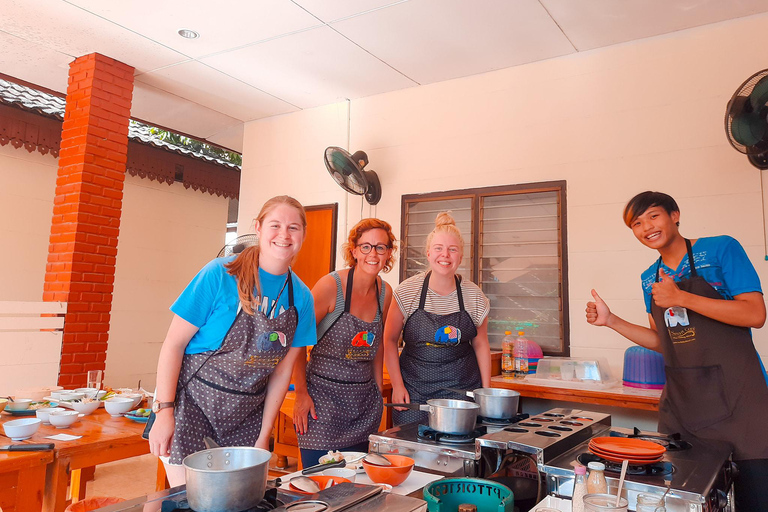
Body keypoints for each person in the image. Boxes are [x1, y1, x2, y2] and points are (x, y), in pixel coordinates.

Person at [586, 191, 768, 511]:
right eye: (637, 223)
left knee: (756, 496)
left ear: (675, 214)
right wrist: (611, 320)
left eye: (653, 216)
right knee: (687, 500)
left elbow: (754, 314)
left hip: (740, 401)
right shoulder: (650, 279)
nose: (646, 227)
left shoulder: (720, 248)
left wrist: (683, 298)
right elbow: (662, 341)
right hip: (685, 407)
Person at [148, 195, 317, 486]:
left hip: (246, 416)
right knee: (195, 499)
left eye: (293, 228)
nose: (284, 235)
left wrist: (263, 437)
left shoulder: (300, 297)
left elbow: (280, 371)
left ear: (302, 235)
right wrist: (164, 412)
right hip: (191, 406)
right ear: (259, 228)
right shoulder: (220, 274)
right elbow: (173, 345)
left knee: (237, 500)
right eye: (275, 225)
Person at [292, 218, 396, 467]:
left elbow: (378, 342)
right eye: (366, 247)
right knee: (320, 481)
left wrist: (378, 387)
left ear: (389, 253)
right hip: (322, 404)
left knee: (355, 485)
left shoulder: (385, 292)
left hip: (362, 405)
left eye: (381, 247)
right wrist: (301, 394)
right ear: (354, 251)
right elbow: (297, 339)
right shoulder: (331, 287)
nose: (373, 254)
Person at [383, 212, 492, 426]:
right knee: (411, 452)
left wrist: (485, 393)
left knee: (457, 452)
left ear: (460, 257)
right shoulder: (407, 291)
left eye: (453, 250)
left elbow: (481, 344)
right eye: (439, 248)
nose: (446, 255)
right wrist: (397, 385)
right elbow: (388, 340)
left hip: (461, 394)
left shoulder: (474, 296)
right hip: (413, 393)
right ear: (428, 253)